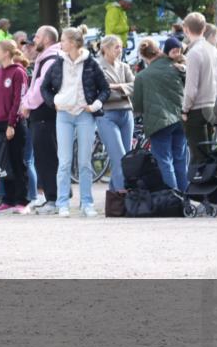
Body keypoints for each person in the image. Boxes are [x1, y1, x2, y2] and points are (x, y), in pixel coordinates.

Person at [40, 27, 110, 217]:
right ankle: (63, 203)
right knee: (64, 161)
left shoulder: (90, 64)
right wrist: (53, 102)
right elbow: (44, 87)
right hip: (63, 116)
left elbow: (105, 89)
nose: (60, 43)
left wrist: (95, 105)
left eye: (63, 40)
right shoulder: (58, 63)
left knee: (85, 162)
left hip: (85, 115)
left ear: (72, 43)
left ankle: (87, 203)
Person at [132, 39, 188, 191]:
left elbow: (137, 104)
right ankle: (185, 196)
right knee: (180, 159)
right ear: (159, 50)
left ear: (144, 57)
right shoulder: (176, 68)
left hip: (158, 123)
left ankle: (173, 196)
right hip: (180, 119)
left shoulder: (142, 76)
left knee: (164, 160)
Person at [20, 26, 62, 214]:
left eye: (36, 37)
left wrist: (27, 104)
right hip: (43, 113)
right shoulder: (46, 57)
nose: (34, 40)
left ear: (46, 39)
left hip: (45, 113)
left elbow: (39, 87)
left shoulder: (50, 59)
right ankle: (51, 197)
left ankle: (54, 198)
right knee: (44, 156)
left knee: (47, 156)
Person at [0, 40, 30, 213]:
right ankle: (8, 199)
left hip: (14, 125)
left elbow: (19, 100)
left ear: (6, 53)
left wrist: (12, 123)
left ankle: (22, 201)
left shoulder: (18, 73)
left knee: (17, 162)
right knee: (3, 163)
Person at [181, 12, 217, 167]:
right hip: (211, 106)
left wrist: (185, 110)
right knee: (208, 155)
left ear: (185, 29)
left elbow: (191, 88)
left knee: (198, 158)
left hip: (196, 110)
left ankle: (198, 190)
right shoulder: (214, 50)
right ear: (204, 28)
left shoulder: (194, 53)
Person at [96, 35, 136, 192]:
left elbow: (136, 86)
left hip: (126, 113)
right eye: (116, 47)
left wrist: (117, 87)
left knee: (125, 157)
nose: (120, 50)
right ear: (105, 48)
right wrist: (124, 89)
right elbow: (102, 92)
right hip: (107, 115)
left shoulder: (124, 67)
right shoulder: (97, 67)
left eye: (121, 47)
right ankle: (122, 193)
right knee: (118, 156)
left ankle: (114, 197)